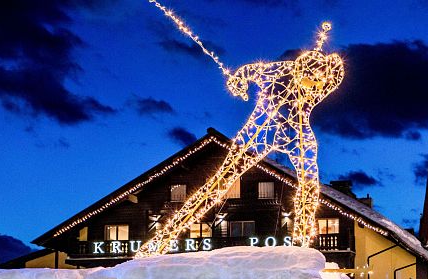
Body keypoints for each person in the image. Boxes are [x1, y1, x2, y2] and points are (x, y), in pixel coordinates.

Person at [137, 24, 345, 256]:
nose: (313, 87)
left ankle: (303, 245)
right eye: (310, 79)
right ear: (300, 69)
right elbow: (245, 73)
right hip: (261, 130)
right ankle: (162, 241)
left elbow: (336, 75)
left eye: (318, 82)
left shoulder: (320, 83)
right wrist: (238, 84)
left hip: (297, 133)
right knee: (219, 183)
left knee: (309, 184)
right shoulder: (277, 71)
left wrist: (333, 62)